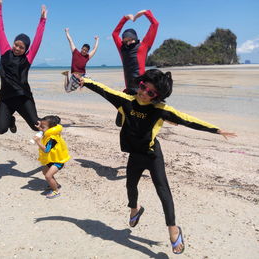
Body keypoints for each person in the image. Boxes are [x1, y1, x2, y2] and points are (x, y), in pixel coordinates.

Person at [77, 69, 236, 254]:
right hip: (135, 155)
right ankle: (135, 209)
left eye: (150, 93)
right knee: (130, 187)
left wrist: (216, 130)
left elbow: (187, 120)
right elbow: (103, 89)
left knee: (163, 191)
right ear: (140, 83)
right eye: (143, 87)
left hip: (152, 156)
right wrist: (84, 81)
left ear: (157, 97)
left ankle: (173, 230)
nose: (144, 93)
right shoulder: (125, 101)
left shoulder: (160, 110)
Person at [0, 0, 47, 134]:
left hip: (23, 97)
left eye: (21, 47)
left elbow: (37, 40)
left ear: (26, 49)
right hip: (6, 98)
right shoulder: (5, 51)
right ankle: (10, 120)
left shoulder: (28, 58)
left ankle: (54, 121)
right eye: (16, 44)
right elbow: (0, 29)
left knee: (36, 126)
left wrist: (42, 21)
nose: (17, 48)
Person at [112, 9, 159, 126]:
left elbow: (155, 24)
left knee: (143, 122)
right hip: (128, 91)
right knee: (119, 122)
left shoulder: (143, 46)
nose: (128, 42)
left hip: (142, 90)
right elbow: (114, 34)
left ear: (136, 38)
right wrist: (125, 18)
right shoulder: (122, 49)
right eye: (125, 40)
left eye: (130, 39)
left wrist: (145, 13)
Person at [33, 115, 71, 199]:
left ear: (50, 128)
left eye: (43, 127)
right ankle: (56, 184)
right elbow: (44, 131)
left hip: (58, 161)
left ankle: (56, 191)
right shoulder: (50, 132)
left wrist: (38, 142)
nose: (41, 129)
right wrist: (40, 128)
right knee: (44, 172)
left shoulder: (52, 138)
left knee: (48, 176)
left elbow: (46, 150)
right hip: (52, 159)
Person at [62, 28, 99, 93]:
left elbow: (94, 49)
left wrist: (97, 40)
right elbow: (70, 41)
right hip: (75, 75)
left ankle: (82, 83)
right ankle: (66, 75)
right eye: (83, 49)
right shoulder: (75, 52)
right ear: (81, 48)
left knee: (92, 83)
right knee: (67, 90)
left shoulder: (87, 57)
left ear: (87, 51)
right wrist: (67, 32)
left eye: (86, 51)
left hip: (83, 75)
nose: (84, 51)